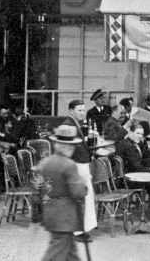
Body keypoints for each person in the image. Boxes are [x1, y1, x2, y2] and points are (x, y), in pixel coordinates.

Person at [36, 125, 88, 261]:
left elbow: (38, 190)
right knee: (55, 254)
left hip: (50, 213)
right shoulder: (69, 165)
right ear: (69, 147)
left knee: (71, 254)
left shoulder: (44, 163)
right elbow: (78, 193)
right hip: (65, 217)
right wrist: (83, 184)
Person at [62, 99, 97, 235]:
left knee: (86, 196)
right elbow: (65, 151)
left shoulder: (75, 123)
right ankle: (78, 230)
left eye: (84, 110)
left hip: (81, 164)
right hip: (76, 166)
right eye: (79, 110)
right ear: (71, 111)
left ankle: (83, 227)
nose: (83, 113)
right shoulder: (68, 125)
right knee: (81, 197)